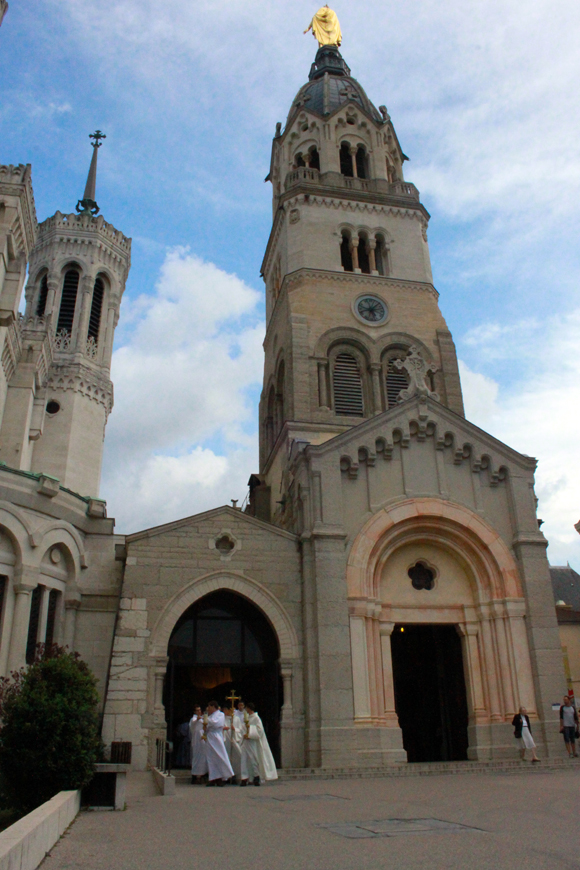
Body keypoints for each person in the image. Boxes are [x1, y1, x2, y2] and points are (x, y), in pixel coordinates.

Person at [240, 701, 278, 786]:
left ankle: (256, 776)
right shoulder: (246, 717)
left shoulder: (256, 718)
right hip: (246, 742)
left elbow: (260, 730)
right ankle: (244, 778)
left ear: (249, 708)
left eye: (246, 708)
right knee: (244, 759)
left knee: (253, 759)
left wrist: (250, 732)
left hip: (253, 742)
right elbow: (242, 727)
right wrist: (244, 733)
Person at [205, 700, 234, 786]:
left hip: (216, 737)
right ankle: (213, 778)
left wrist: (208, 723)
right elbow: (206, 725)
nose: (208, 709)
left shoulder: (220, 714)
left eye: (209, 707)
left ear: (213, 707)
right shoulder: (210, 716)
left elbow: (216, 724)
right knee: (211, 757)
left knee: (220, 755)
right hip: (210, 736)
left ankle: (223, 776)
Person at [222, 706, 242, 783]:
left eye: (226, 710)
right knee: (226, 757)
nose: (224, 711)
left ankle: (234, 776)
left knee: (235, 758)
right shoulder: (222, 718)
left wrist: (235, 729)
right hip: (226, 740)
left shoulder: (236, 719)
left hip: (234, 740)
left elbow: (240, 729)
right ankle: (226, 777)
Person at [189, 705, 207, 784]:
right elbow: (192, 725)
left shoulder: (203, 718)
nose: (199, 712)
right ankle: (195, 776)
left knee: (203, 758)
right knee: (196, 758)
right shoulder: (193, 719)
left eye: (200, 710)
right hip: (196, 741)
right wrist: (197, 719)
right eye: (197, 710)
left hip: (202, 740)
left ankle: (202, 775)